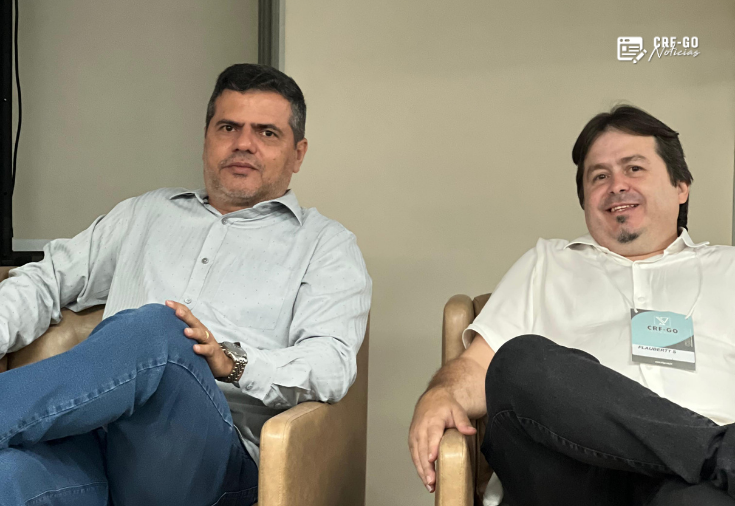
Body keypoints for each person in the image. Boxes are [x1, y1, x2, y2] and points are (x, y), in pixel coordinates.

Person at [0, 63, 371, 506]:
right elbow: (44, 279)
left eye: (267, 133)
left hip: (211, 456)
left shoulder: (325, 245)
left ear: (298, 154)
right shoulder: (144, 213)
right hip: (96, 444)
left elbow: (331, 363)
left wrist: (232, 362)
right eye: (228, 127)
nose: (243, 143)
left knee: (163, 328)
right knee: (8, 475)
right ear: (206, 138)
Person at [409, 105, 735, 506]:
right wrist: (440, 393)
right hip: (572, 477)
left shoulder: (729, 269)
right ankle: (718, 453)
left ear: (680, 185)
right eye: (599, 176)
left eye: (634, 168)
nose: (617, 186)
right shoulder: (547, 264)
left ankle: (714, 458)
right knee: (519, 360)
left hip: (696, 490)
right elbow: (481, 369)